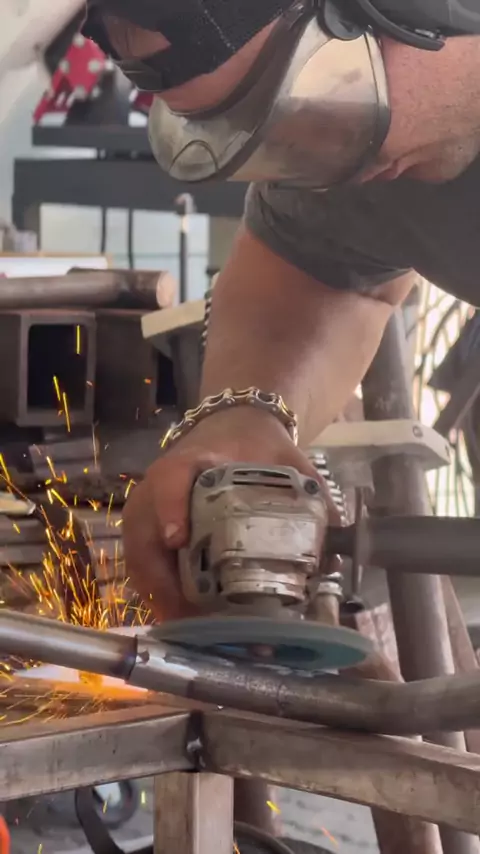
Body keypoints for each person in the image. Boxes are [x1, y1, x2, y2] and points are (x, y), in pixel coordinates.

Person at [83, 0, 480, 621]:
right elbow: (317, 273)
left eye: (330, 97)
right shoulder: (363, 158)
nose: (322, 159)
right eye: (278, 131)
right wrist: (243, 421)